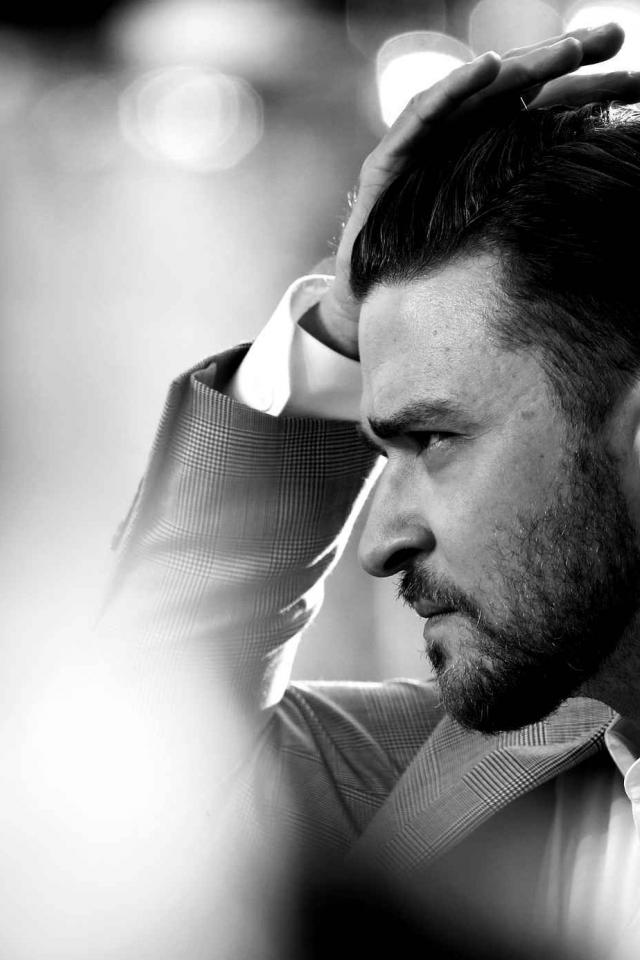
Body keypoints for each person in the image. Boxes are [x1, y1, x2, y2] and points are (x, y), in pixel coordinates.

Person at [99, 22, 640, 960]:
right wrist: (341, 325)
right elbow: (139, 770)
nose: (376, 541)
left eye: (433, 439)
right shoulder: (459, 771)